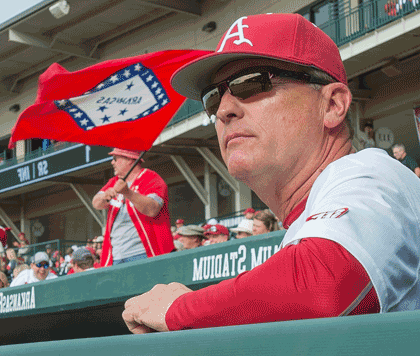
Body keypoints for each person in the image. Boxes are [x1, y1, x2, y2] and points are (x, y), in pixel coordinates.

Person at [123, 13, 420, 334]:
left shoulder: (374, 172)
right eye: (213, 97)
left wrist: (179, 310)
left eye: (251, 82)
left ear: (333, 104)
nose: (223, 110)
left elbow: (325, 284)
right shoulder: (309, 222)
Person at [92, 148, 174, 266]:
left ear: (130, 159)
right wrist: (105, 196)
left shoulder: (151, 178)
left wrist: (128, 192)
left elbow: (152, 209)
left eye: (115, 158)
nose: (112, 162)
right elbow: (96, 203)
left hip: (144, 254)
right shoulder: (114, 181)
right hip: (115, 257)